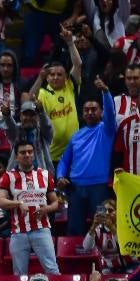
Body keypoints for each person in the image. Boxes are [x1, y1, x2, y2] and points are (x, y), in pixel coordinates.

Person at [56, 78, 116, 236]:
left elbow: (111, 114)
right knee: (74, 230)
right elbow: (64, 160)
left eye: (94, 109)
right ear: (82, 113)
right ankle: (78, 261)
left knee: (103, 227)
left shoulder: (107, 130)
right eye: (86, 110)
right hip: (76, 190)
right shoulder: (76, 136)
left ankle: (105, 260)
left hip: (99, 189)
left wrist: (105, 92)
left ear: (101, 112)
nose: (90, 112)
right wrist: (60, 175)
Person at [0, 140, 61, 276]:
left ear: (34, 155)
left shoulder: (45, 175)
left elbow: (55, 203)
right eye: (23, 152)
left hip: (42, 229)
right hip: (18, 232)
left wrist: (46, 209)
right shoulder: (9, 176)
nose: (27, 155)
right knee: (19, 274)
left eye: (30, 152)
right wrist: (18, 203)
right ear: (17, 156)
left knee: (52, 270)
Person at [30, 38, 82, 162]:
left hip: (73, 152)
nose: (55, 77)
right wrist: (40, 78)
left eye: (59, 74)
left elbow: (78, 64)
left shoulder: (70, 87)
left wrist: (70, 42)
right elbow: (29, 98)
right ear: (47, 77)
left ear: (65, 77)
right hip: (51, 155)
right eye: (52, 74)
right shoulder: (43, 93)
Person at [2, 101, 54, 173]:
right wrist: (7, 115)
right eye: (25, 115)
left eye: (32, 115)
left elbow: (47, 126)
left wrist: (42, 112)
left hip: (41, 177)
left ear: (37, 117)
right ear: (20, 116)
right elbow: (10, 126)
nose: (28, 118)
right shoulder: (16, 133)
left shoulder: (44, 134)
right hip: (18, 178)